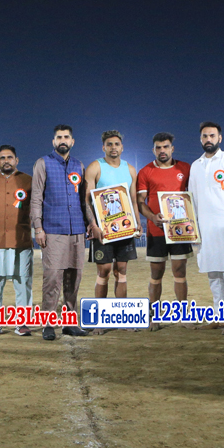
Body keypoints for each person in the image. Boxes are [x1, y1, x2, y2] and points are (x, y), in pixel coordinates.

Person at [30, 124, 90, 341]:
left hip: (77, 230)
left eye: (66, 137)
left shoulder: (78, 165)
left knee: (73, 278)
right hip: (53, 230)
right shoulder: (43, 163)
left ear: (72, 141)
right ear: (53, 141)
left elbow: (83, 199)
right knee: (52, 278)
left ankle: (69, 322)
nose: (62, 140)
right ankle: (48, 323)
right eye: (59, 137)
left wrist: (90, 223)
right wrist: (38, 227)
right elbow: (36, 197)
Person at [189, 122, 224, 335]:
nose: (208, 139)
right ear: (200, 139)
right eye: (205, 136)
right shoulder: (196, 166)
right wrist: (193, 228)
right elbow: (192, 199)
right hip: (205, 230)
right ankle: (219, 317)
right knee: (213, 275)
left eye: (212, 135)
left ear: (220, 138)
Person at [136, 132, 192, 329]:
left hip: (180, 230)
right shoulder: (145, 171)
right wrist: (152, 217)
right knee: (156, 273)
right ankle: (155, 317)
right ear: (153, 150)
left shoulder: (185, 168)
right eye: (158, 147)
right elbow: (140, 201)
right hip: (156, 231)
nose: (162, 150)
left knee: (180, 271)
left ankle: (183, 316)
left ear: (172, 148)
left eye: (166, 147)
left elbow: (193, 195)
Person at [83, 131, 139, 314]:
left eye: (116, 144)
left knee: (121, 270)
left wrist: (138, 223)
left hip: (124, 227)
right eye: (109, 144)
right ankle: (101, 317)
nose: (113, 147)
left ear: (122, 147)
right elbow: (87, 200)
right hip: (102, 228)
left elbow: (133, 200)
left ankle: (121, 315)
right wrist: (93, 225)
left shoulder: (130, 169)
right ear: (103, 147)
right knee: (104, 271)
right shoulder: (95, 167)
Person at [0, 145, 34, 336]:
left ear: (16, 160)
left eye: (9, 157)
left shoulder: (28, 181)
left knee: (23, 282)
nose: (6, 161)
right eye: (2, 158)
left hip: (20, 239)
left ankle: (23, 323)